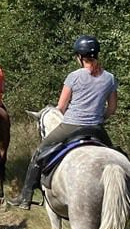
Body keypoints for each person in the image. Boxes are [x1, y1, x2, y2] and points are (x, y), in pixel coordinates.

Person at [7, 35, 117, 209]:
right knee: (117, 156)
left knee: (39, 152)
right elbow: (111, 109)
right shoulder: (110, 78)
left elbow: (60, 106)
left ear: (80, 57)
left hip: (70, 126)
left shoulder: (73, 76)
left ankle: (25, 197)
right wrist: (98, 118)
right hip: (97, 129)